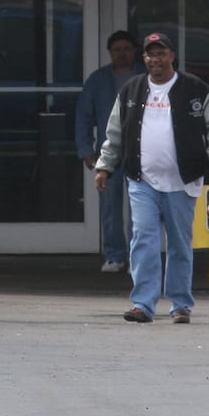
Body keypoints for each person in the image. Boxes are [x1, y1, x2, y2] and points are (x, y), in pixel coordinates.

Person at [93, 31, 209, 323]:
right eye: (150, 54)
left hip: (183, 181)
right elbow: (114, 133)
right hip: (141, 180)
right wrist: (105, 166)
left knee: (180, 244)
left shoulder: (196, 89)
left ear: (172, 56)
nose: (155, 59)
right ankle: (142, 304)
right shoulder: (131, 90)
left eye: (161, 53)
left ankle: (180, 304)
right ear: (144, 58)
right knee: (143, 238)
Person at [75, 30, 142, 273]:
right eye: (117, 50)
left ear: (134, 52)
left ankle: (138, 256)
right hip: (108, 151)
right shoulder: (98, 80)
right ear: (110, 53)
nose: (122, 54)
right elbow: (83, 116)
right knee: (110, 206)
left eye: (126, 48)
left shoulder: (145, 77)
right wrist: (85, 149)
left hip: (141, 151)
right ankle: (114, 255)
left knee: (140, 207)